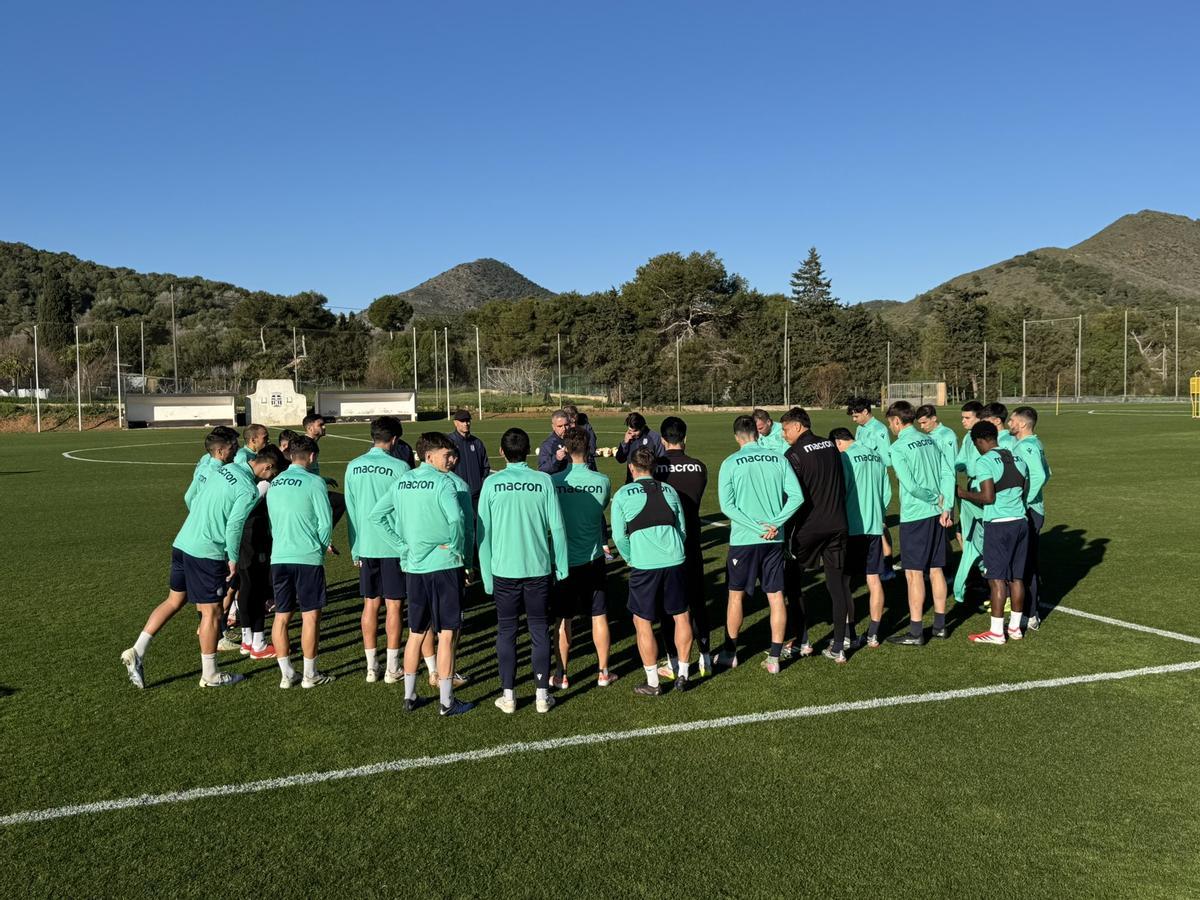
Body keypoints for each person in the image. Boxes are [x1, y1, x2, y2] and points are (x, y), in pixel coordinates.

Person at [121, 445, 285, 689]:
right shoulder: (248, 489)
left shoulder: (225, 469)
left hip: (183, 542)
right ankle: (210, 674)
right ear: (268, 467)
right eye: (273, 475)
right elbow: (235, 525)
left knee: (173, 601)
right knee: (212, 612)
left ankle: (137, 650)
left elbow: (193, 497)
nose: (271, 479)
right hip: (206, 553)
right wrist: (231, 558)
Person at [369, 432, 473, 716]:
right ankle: (446, 701)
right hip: (443, 566)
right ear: (429, 456)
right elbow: (457, 520)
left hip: (414, 568)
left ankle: (410, 696)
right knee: (447, 634)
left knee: (416, 632)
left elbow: (376, 517)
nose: (449, 460)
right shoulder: (443, 483)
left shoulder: (401, 482)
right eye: (444, 455)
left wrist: (402, 546)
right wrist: (457, 550)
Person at [478, 428, 569, 714]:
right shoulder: (542, 481)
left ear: (502, 452)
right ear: (530, 451)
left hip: (504, 570)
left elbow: (482, 533)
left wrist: (485, 576)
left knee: (507, 631)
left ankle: (509, 696)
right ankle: (542, 696)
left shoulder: (492, 484)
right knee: (539, 630)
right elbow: (558, 527)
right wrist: (562, 567)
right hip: (537, 568)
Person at [716, 415, 803, 673]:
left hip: (745, 540)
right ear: (758, 433)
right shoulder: (778, 458)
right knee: (776, 596)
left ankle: (730, 653)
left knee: (735, 597)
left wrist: (756, 527)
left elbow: (727, 506)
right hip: (773, 539)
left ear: (736, 436)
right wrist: (775, 524)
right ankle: (774, 658)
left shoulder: (730, 462)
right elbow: (797, 497)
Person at [611, 447, 694, 695]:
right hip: (675, 560)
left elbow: (619, 535)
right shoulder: (669, 490)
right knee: (681, 615)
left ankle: (653, 682)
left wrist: (629, 557)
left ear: (631, 467)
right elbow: (682, 529)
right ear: (654, 467)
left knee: (642, 620)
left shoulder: (624, 493)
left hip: (644, 565)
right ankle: (683, 674)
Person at [779, 407, 854, 663]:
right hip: (837, 524)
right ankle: (839, 646)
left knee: (793, 582)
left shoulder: (793, 454)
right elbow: (841, 483)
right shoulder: (831, 446)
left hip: (808, 528)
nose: (783, 434)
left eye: (785, 429)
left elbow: (792, 495)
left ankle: (802, 640)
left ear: (798, 426)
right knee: (837, 584)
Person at [344, 416, 411, 683]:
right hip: (393, 545)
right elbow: (406, 512)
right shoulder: (400, 467)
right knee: (394, 606)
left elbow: (350, 511)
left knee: (370, 604)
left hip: (366, 545)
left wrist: (355, 547)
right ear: (394, 440)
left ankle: (372, 667)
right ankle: (393, 666)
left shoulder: (353, 466)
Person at [267, 435, 336, 689]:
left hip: (280, 556)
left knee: (281, 617)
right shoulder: (315, 482)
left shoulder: (275, 483)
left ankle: (287, 674)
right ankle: (310, 674)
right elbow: (325, 522)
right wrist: (319, 546)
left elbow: (272, 522)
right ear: (312, 457)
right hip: (307, 558)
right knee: (310, 616)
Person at [884, 401, 956, 646]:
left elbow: (911, 486)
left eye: (890, 423)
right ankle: (939, 625)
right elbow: (949, 473)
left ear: (896, 421)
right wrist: (945, 506)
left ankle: (916, 632)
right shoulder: (931, 440)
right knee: (936, 570)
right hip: (938, 514)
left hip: (916, 515)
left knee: (914, 573)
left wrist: (934, 498)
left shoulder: (898, 447)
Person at [551, 427, 617, 688]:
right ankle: (603, 671)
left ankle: (561, 674)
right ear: (588, 449)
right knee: (598, 615)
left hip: (564, 561)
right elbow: (600, 508)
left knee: (563, 619)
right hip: (593, 557)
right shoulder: (602, 481)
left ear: (565, 450)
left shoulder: (555, 482)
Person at [957, 421, 1029, 644]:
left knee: (996, 579)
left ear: (979, 441)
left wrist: (962, 493)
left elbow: (988, 497)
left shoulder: (985, 461)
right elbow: (1024, 490)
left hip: (999, 524)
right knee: (1016, 577)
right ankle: (1015, 628)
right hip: (1020, 521)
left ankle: (997, 632)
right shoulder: (1017, 457)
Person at [652, 416, 711, 677]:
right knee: (698, 601)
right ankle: (706, 659)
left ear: (663, 440)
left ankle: (673, 661)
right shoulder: (699, 467)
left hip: (666, 544)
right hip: (693, 540)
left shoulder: (656, 468)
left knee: (669, 606)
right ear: (685, 438)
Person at [831, 427, 890, 647]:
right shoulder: (877, 456)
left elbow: (841, 491)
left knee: (844, 582)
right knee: (873, 579)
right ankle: (874, 634)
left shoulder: (845, 457)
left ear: (838, 442)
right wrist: (879, 515)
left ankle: (849, 634)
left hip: (853, 527)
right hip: (874, 526)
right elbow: (887, 493)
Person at [1009, 405, 1050, 630]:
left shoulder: (1028, 447)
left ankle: (1031, 614)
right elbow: (1049, 472)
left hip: (1030, 510)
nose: (1009, 424)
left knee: (1026, 563)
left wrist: (1025, 500)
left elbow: (1041, 474)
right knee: (1026, 562)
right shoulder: (1035, 442)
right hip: (1034, 508)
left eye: (1012, 421)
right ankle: (1030, 608)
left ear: (1023, 424)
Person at [847, 398, 896, 574]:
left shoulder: (880, 430)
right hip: (862, 478)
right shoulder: (860, 429)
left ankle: (888, 564)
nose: (854, 420)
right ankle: (870, 560)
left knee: (880, 523)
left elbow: (886, 459)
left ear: (866, 412)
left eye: (856, 416)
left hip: (875, 478)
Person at [952, 401, 987, 606]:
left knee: (981, 534)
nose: (963, 421)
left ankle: (987, 573)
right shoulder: (967, 437)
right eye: (962, 417)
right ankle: (978, 572)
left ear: (979, 417)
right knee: (962, 533)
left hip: (984, 489)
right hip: (971, 486)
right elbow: (960, 461)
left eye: (967, 418)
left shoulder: (991, 437)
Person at [302, 413, 347, 528]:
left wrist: (324, 479)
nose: (324, 427)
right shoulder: (305, 445)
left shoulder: (311, 443)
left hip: (312, 487)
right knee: (341, 501)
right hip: (308, 490)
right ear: (310, 428)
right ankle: (322, 534)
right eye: (320, 425)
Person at [185, 428, 238, 509]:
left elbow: (189, 496)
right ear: (220, 450)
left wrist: (195, 513)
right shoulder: (221, 472)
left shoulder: (204, 465)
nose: (236, 449)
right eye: (232, 447)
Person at [446, 409, 490, 507]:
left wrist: (480, 484)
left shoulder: (477, 443)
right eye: (463, 421)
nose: (466, 423)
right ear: (455, 423)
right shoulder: (448, 443)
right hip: (457, 494)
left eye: (468, 420)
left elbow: (485, 466)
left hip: (476, 496)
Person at [615, 412, 664, 483]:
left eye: (635, 431)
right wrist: (625, 443)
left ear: (643, 427)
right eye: (630, 430)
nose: (632, 434)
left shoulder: (654, 438)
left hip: (650, 482)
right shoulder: (629, 437)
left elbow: (662, 460)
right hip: (631, 482)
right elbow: (620, 459)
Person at [916, 405, 958, 472]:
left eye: (924, 422)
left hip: (943, 481)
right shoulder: (927, 435)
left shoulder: (947, 435)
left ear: (934, 418)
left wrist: (950, 482)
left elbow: (950, 464)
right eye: (920, 423)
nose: (921, 426)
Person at [563, 403, 598, 470]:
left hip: (587, 463)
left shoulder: (587, 428)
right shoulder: (563, 428)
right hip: (568, 465)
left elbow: (592, 446)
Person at [537, 410, 572, 475]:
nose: (564, 428)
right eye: (560, 426)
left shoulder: (577, 439)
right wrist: (556, 459)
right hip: (559, 482)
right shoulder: (548, 445)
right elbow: (542, 469)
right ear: (553, 427)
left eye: (566, 425)